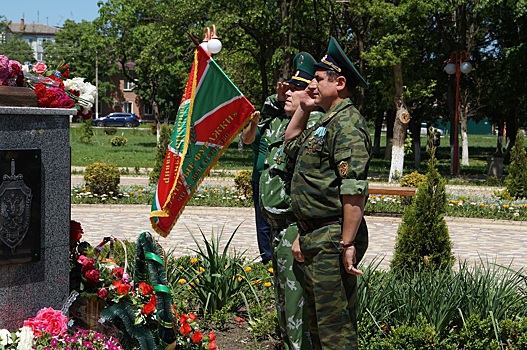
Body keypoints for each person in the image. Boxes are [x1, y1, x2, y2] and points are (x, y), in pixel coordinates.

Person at [283, 37, 372, 350]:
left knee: (336, 334)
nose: (312, 85)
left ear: (341, 83)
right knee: (319, 330)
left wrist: (346, 243)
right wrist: (305, 108)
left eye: (319, 79)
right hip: (314, 237)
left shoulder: (347, 125)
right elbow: (289, 145)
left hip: (333, 238)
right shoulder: (324, 123)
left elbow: (354, 190)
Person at [259, 52, 322, 350]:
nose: (286, 92)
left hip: (295, 228)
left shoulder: (314, 128)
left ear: (310, 92)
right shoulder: (283, 124)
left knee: (298, 309)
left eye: (294, 89)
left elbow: (312, 187)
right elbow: (261, 117)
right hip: (278, 230)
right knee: (285, 306)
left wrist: (303, 230)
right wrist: (278, 97)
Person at [242, 111, 272, 264]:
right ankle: (267, 258)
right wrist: (254, 122)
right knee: (262, 221)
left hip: (279, 178)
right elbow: (246, 139)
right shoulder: (260, 123)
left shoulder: (288, 120)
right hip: (260, 179)